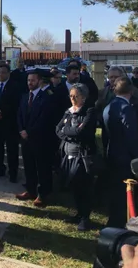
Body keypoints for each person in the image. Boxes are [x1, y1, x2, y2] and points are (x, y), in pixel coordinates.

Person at [103, 77, 138, 228]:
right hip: (125, 156)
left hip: (112, 151)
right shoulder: (126, 109)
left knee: (114, 190)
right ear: (131, 90)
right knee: (124, 192)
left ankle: (113, 219)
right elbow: (131, 136)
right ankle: (121, 222)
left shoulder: (108, 106)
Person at [56, 83, 97, 231]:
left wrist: (68, 132)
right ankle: (79, 213)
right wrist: (71, 132)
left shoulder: (89, 112)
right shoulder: (68, 112)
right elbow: (57, 129)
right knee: (74, 186)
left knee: (83, 186)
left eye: (76, 96)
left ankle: (85, 218)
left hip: (82, 156)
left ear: (84, 98)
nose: (72, 99)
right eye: (71, 96)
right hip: (68, 154)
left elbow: (82, 133)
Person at [15, 70, 54, 207]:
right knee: (29, 165)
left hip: (39, 138)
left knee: (42, 167)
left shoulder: (46, 97)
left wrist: (29, 132)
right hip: (25, 139)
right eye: (28, 80)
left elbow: (43, 119)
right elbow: (19, 115)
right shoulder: (25, 96)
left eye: (32, 80)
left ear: (39, 81)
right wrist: (21, 130)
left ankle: (42, 194)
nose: (30, 83)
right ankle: (30, 190)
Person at [0, 64, 21, 182]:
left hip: (10, 123)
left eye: (3, 72)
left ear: (8, 73)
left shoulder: (15, 86)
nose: (0, 75)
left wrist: (2, 112)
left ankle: (13, 173)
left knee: (12, 149)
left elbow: (15, 104)